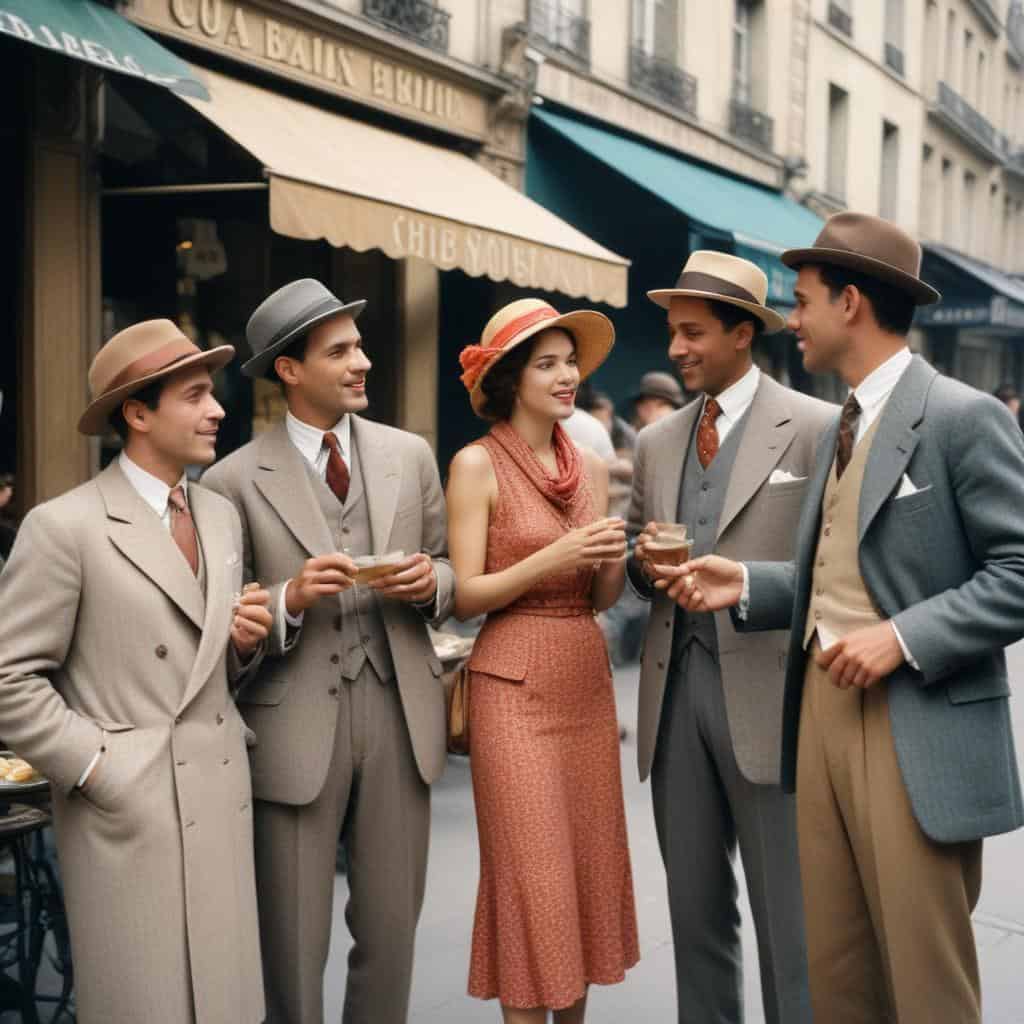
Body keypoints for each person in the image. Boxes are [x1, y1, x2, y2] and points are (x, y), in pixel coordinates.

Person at [662, 213, 1024, 1024]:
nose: (792, 320)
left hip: (914, 726)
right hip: (818, 716)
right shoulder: (843, 421)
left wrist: (902, 638)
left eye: (802, 301)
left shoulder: (963, 417)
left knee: (924, 981)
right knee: (836, 969)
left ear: (850, 302)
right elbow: (845, 571)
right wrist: (748, 583)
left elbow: (1019, 571)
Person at [0, 319, 273, 1022]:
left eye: (212, 393)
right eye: (195, 395)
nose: (218, 409)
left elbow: (199, 671)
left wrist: (241, 646)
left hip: (218, 796)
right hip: (128, 813)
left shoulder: (218, 514)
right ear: (138, 412)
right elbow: (8, 679)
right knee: (145, 1002)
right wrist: (98, 767)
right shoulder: (65, 527)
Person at [202, 279, 455, 1024]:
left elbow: (447, 568)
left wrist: (427, 580)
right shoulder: (230, 481)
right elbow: (224, 628)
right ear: (288, 369)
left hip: (402, 712)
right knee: (291, 944)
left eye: (361, 346)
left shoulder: (410, 456)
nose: (363, 362)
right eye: (341, 350)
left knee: (391, 934)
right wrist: (289, 599)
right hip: (289, 727)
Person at [628, 251, 834, 1024]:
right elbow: (631, 554)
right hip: (675, 698)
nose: (676, 349)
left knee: (792, 919)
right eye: (673, 334)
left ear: (743, 332)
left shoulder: (814, 427)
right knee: (694, 915)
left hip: (770, 700)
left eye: (692, 333)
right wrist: (644, 567)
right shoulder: (656, 443)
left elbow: (832, 570)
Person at [447, 297, 639, 1024]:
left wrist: (616, 558)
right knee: (535, 885)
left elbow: (599, 596)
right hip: (512, 687)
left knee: (584, 878)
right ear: (510, 378)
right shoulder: (475, 464)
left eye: (571, 363)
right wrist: (555, 554)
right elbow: (466, 595)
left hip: (584, 682)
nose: (568, 377)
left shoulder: (589, 464)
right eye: (547, 363)